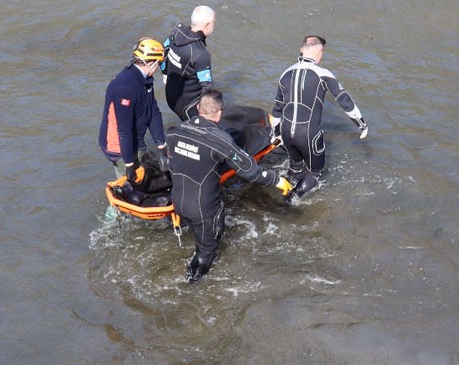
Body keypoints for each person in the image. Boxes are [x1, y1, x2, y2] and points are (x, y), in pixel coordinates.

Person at [168, 88, 294, 283]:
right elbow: (250, 170)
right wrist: (277, 180)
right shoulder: (220, 140)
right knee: (206, 253)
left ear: (198, 108)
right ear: (219, 114)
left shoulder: (176, 131)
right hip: (204, 209)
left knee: (198, 239)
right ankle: (188, 294)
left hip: (177, 203)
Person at [268, 35, 368, 197]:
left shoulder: (285, 73)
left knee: (295, 167)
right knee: (315, 174)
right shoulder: (323, 74)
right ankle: (291, 202)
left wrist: (276, 133)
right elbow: (344, 100)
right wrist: (362, 124)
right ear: (320, 52)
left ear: (302, 50)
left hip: (286, 132)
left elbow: (277, 108)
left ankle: (282, 196)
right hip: (308, 134)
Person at [99, 37, 169, 201]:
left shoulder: (145, 80)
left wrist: (161, 144)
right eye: (159, 64)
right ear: (150, 63)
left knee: (145, 179)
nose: (158, 68)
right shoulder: (125, 88)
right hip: (118, 145)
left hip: (134, 139)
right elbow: (123, 130)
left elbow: (153, 111)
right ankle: (113, 216)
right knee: (128, 190)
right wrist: (130, 164)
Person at [162, 5, 216, 120]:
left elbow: (163, 52)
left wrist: (165, 73)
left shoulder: (175, 34)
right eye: (213, 23)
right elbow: (207, 88)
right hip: (188, 106)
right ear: (207, 24)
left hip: (171, 95)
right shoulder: (200, 54)